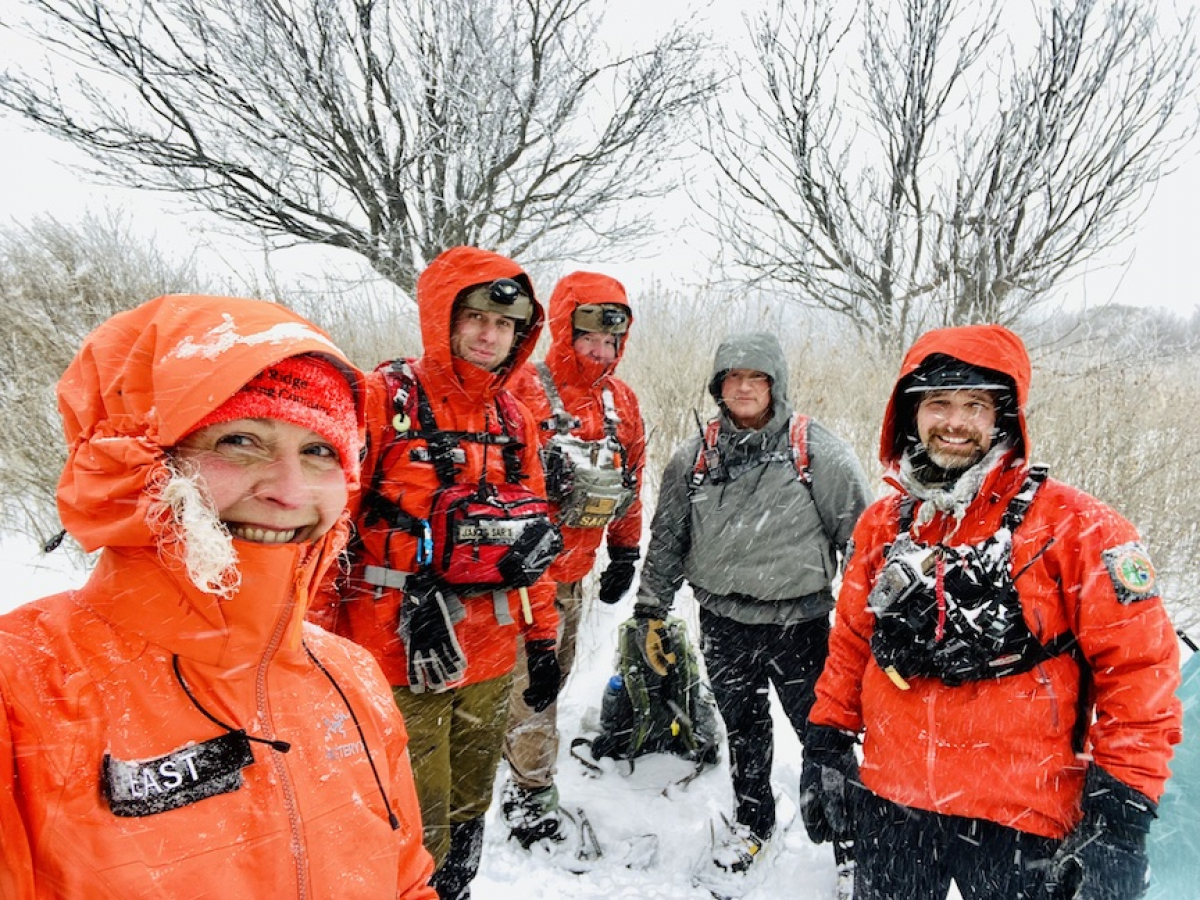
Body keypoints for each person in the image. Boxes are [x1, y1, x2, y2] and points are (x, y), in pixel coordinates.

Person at [0, 294, 435, 899]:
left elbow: (406, 879)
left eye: (319, 451)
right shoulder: (22, 688)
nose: (289, 491)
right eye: (240, 441)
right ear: (138, 457)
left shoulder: (349, 676)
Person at [801, 323, 1183, 900]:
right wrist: (826, 742)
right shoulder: (882, 525)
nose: (954, 422)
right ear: (910, 415)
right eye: (938, 403)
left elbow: (1140, 675)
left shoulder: (1078, 528)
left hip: (1023, 816)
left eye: (975, 405)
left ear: (1004, 417)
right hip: (895, 805)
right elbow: (853, 640)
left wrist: (1119, 819)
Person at [316, 246, 561, 900]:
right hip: (393, 651)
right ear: (443, 320)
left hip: (489, 652)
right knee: (408, 813)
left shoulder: (515, 421)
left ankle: (457, 888)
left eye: (505, 325)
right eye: (476, 318)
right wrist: (307, 651)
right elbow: (325, 528)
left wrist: (542, 643)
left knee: (467, 805)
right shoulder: (382, 399)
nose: (490, 335)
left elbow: (535, 542)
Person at [633, 331, 871, 890]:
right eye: (732, 378)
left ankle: (854, 844)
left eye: (756, 378)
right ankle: (753, 822)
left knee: (825, 737)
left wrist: (866, 627)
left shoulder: (816, 451)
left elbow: (863, 544)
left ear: (776, 385)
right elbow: (667, 538)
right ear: (718, 386)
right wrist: (650, 609)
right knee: (742, 731)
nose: (744, 387)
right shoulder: (693, 457)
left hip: (801, 625)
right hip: (722, 623)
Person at [498, 271, 646, 848]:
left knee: (548, 682)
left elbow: (628, 482)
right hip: (521, 579)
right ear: (564, 328)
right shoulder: (522, 390)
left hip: (574, 578)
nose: (602, 352)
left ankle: (515, 762)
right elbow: (493, 481)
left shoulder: (621, 402)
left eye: (613, 342)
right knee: (533, 690)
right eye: (590, 338)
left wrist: (625, 549)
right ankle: (530, 792)